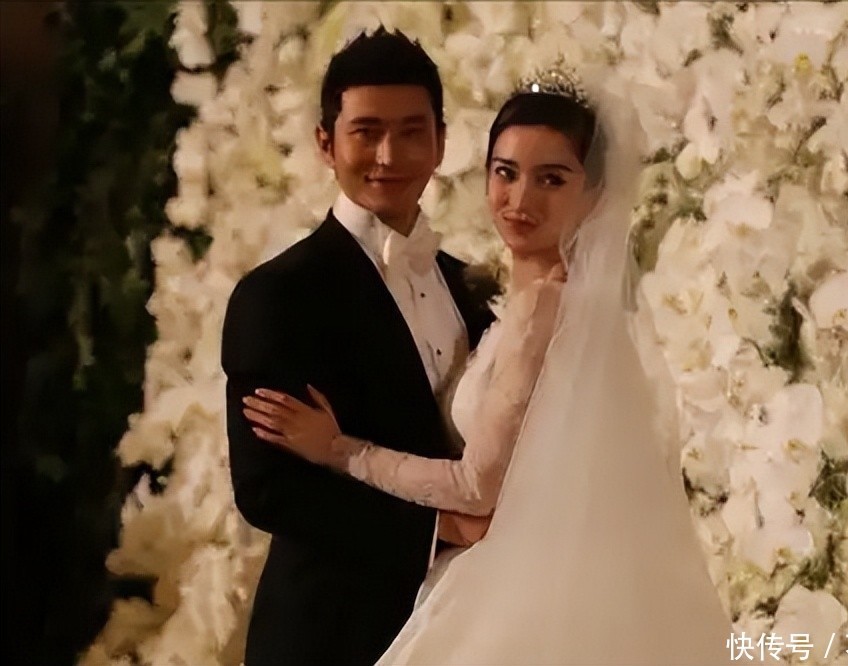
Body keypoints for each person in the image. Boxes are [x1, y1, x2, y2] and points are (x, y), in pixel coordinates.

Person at [244, 64, 733, 664]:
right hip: (467, 589)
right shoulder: (507, 300)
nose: (520, 199)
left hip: (508, 594)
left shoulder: (548, 313)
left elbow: (476, 488)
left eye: (551, 179)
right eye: (506, 173)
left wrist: (339, 449)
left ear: (595, 194)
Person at [220, 27, 497, 665]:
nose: (388, 155)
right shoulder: (278, 294)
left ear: (441, 143)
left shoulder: (472, 288)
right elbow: (269, 489)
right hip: (331, 633)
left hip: (463, 626)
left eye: (411, 132)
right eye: (366, 132)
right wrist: (436, 530)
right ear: (326, 142)